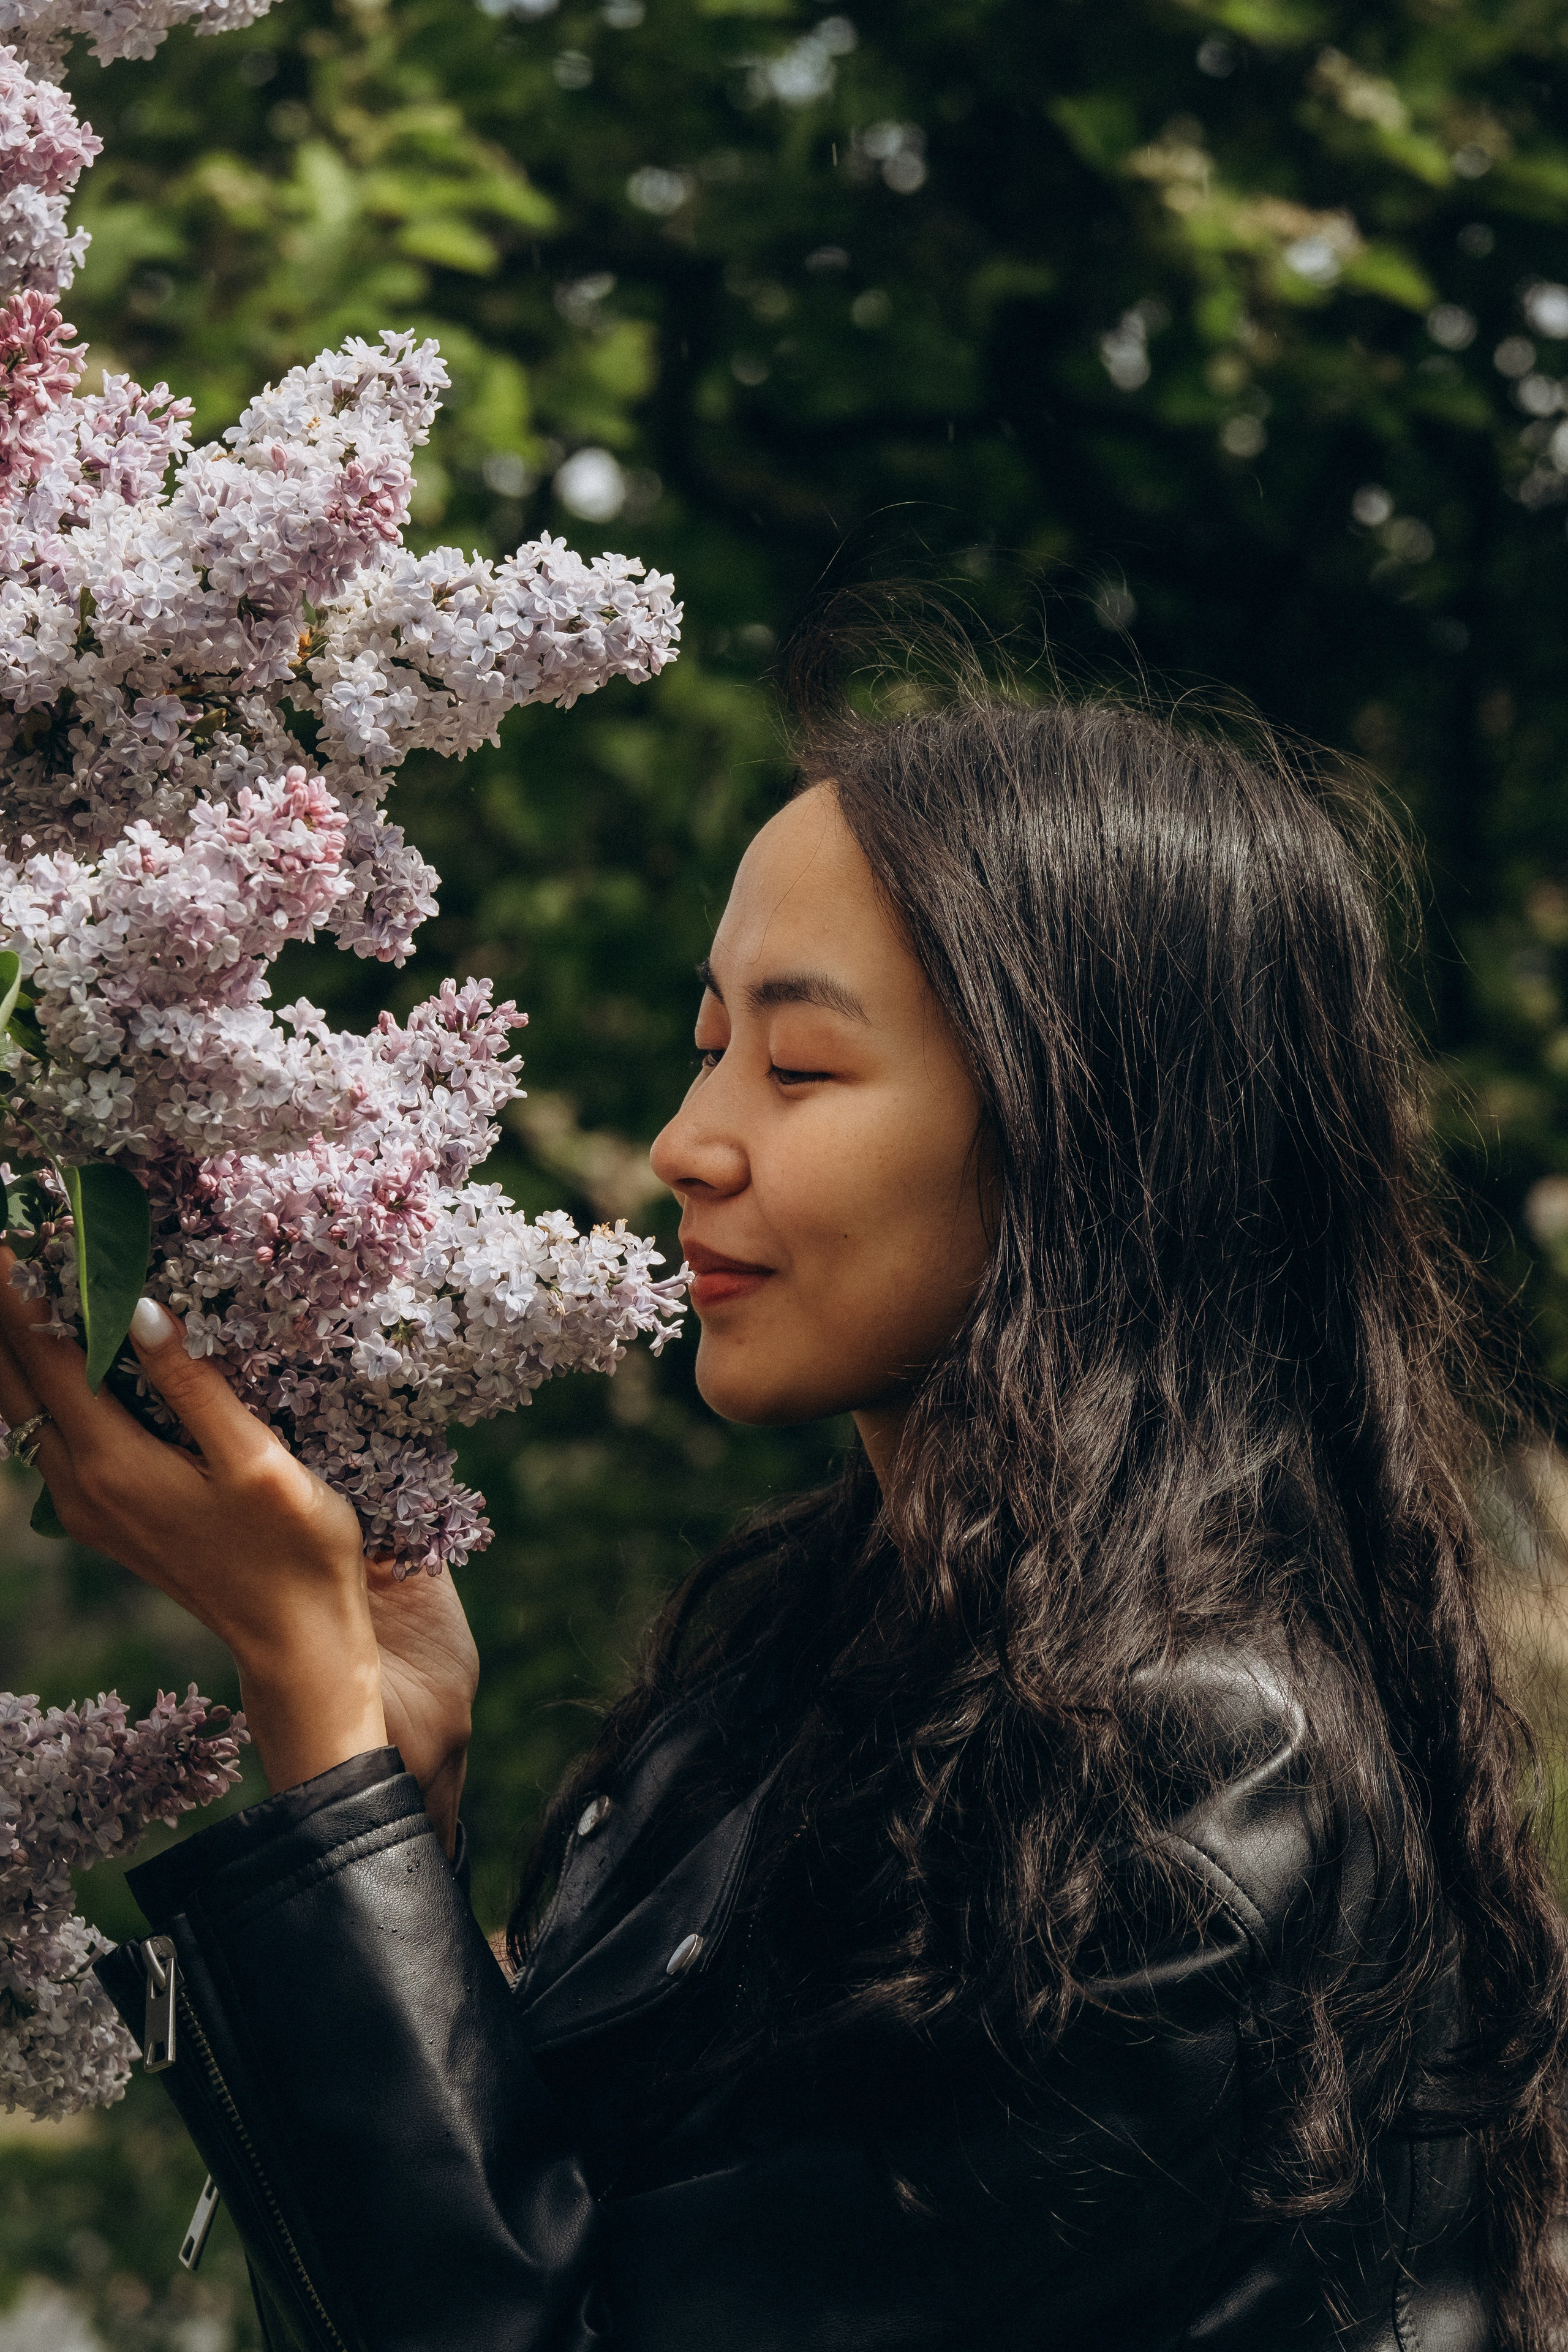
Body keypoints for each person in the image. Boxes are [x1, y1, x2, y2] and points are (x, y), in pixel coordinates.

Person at [1, 689, 1564, 2351]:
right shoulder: (823, 1672)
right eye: (710, 1048)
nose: (686, 1145)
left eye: (800, 1065)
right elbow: (547, 2254)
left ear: (1093, 1137)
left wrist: (312, 1711)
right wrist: (397, 1802)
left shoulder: (1187, 1795)